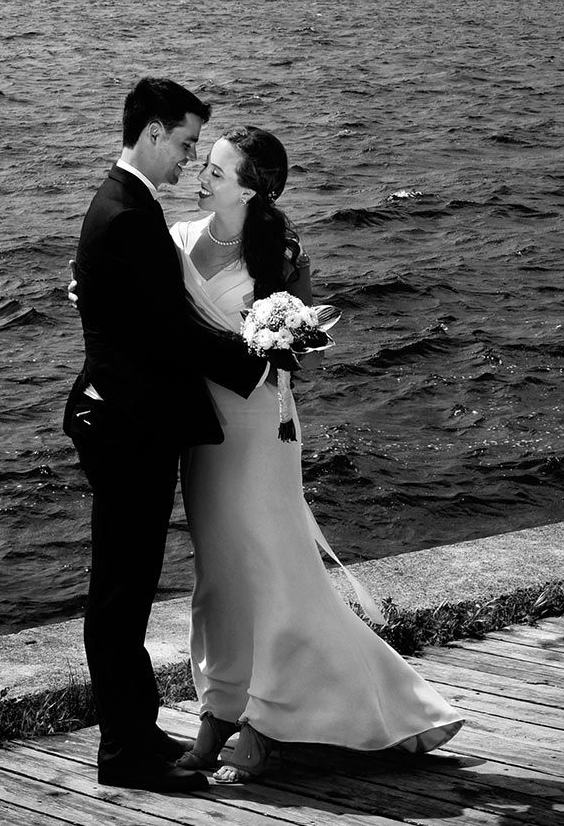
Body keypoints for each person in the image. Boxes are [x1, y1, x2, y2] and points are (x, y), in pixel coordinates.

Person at [173, 125, 462, 783]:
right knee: (216, 580)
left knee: (275, 571)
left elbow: (296, 354)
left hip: (262, 430)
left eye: (217, 170)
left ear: (249, 187)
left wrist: (285, 340)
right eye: (206, 165)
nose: (203, 175)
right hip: (202, 431)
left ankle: (265, 724)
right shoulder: (179, 242)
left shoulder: (278, 256)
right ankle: (217, 713)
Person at [62, 77, 268, 793]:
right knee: (120, 596)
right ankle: (125, 754)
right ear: (152, 133)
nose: (187, 160)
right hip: (126, 426)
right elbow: (170, 330)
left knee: (130, 588)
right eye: (184, 143)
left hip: (127, 419)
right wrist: (260, 358)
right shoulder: (124, 215)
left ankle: (137, 729)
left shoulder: (127, 206)